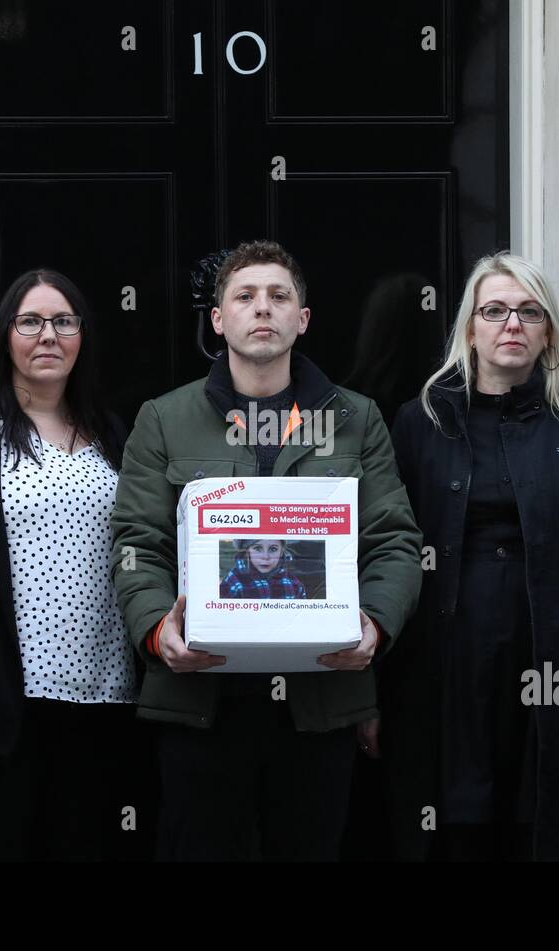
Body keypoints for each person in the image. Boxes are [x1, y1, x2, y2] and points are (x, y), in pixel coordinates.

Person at [110, 239, 422, 861]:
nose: (263, 309)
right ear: (218, 319)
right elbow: (136, 543)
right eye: (245, 296)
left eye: (279, 297)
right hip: (202, 698)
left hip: (319, 700)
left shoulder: (356, 419)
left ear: (301, 320)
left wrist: (377, 624)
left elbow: (395, 540)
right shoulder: (164, 418)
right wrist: (154, 628)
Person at [383, 252, 559, 861]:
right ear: (469, 328)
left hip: (554, 659)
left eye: (529, 312)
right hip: (446, 658)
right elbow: (387, 550)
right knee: (455, 819)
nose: (512, 324)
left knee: (548, 819)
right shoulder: (420, 422)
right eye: (494, 311)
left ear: (548, 331)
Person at [0, 268, 153, 860]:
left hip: (104, 697)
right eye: (31, 321)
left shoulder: (113, 432)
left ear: (83, 336)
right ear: (3, 334)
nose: (48, 336)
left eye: (64, 322)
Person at [220, 539, 307, 599]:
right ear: (247, 551)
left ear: (281, 552)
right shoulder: (234, 582)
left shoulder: (294, 584)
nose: (265, 557)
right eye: (257, 548)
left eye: (273, 549)